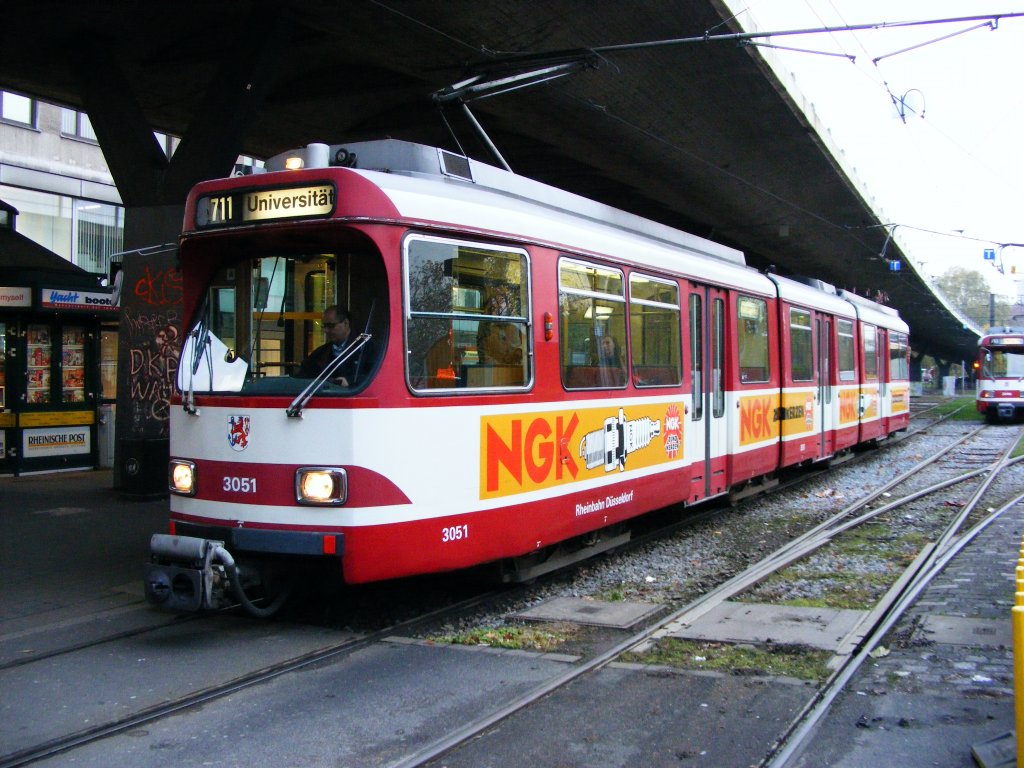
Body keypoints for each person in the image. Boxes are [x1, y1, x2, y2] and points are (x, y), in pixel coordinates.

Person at [297, 305, 364, 386]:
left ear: (346, 323)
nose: (326, 330)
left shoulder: (365, 349)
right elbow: (302, 377)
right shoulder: (319, 353)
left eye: (330, 326)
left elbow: (375, 377)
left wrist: (350, 381)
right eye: (324, 326)